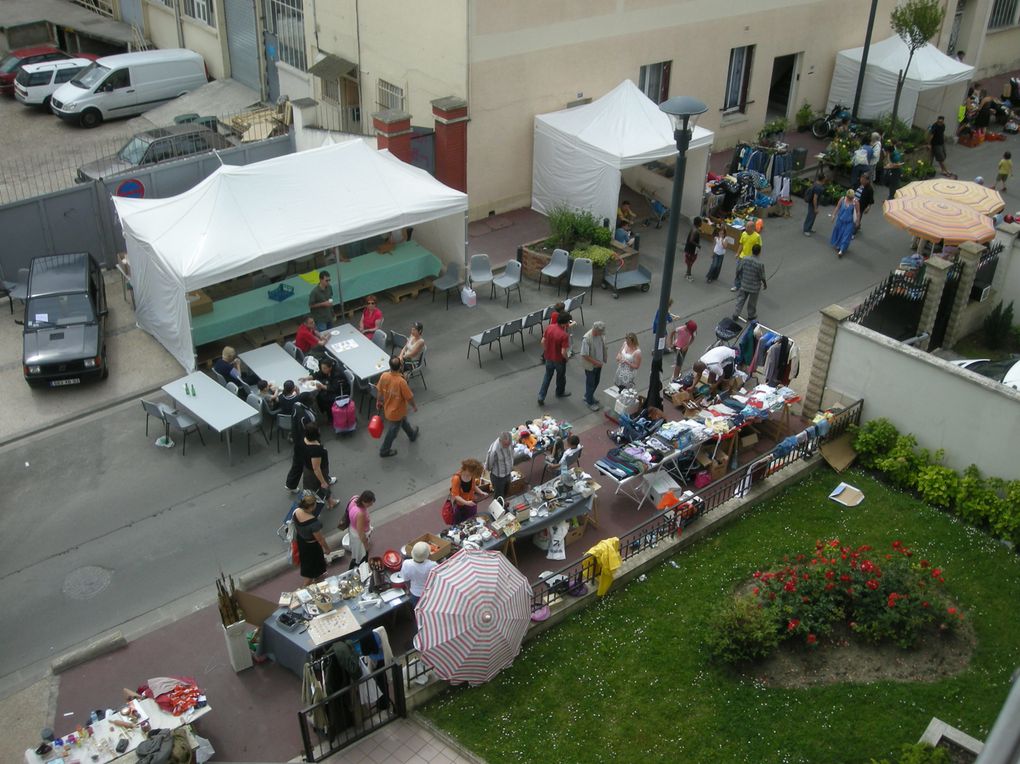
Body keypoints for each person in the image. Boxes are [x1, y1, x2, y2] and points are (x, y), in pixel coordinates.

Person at [376, 356, 419, 457]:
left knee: (403, 421)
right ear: (400, 367)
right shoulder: (401, 382)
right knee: (393, 432)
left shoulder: (384, 376)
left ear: (390, 366)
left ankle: (412, 434)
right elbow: (409, 397)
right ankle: (384, 450)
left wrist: (379, 401)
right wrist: (414, 406)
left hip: (389, 409)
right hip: (397, 412)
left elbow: (380, 391)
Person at [293, 492, 331, 586]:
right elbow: (320, 539)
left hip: (302, 541)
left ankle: (317, 577)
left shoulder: (296, 511)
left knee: (309, 563)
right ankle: (305, 588)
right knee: (311, 569)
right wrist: (327, 549)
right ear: (311, 507)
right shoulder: (314, 523)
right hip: (312, 546)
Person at [538, 312, 572, 405]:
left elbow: (542, 341)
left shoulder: (549, 327)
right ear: (565, 323)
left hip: (549, 357)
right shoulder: (564, 335)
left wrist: (547, 350)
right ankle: (559, 392)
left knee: (547, 376)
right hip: (559, 360)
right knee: (561, 377)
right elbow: (563, 352)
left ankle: (541, 396)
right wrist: (567, 358)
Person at [301, 423, 337, 503]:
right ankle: (331, 502)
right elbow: (316, 468)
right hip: (318, 471)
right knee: (324, 486)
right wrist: (323, 482)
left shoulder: (304, 440)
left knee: (309, 488)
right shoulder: (316, 449)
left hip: (307, 467)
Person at [732, 244, 767, 323]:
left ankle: (736, 314)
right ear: (759, 252)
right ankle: (751, 316)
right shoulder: (760, 264)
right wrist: (765, 284)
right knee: (752, 302)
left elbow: (738, 269)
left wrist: (738, 277)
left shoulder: (745, 259)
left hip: (744, 284)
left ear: (752, 251)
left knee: (740, 299)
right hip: (754, 287)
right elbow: (762, 276)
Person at [449, 458, 488, 523]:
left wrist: (481, 492)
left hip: (471, 502)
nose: (474, 476)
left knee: (473, 519)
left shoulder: (471, 476)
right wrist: (466, 503)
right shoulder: (456, 479)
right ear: (468, 470)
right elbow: (456, 495)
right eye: (474, 474)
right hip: (461, 506)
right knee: (462, 522)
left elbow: (474, 486)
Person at [400, 541, 438, 607]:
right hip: (430, 593)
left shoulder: (406, 564)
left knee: (418, 610)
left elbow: (406, 580)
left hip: (415, 593)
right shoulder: (432, 564)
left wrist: (408, 589)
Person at [580, 320, 607, 411]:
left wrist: (603, 358)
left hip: (598, 364)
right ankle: (589, 402)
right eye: (600, 332)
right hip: (591, 366)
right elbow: (584, 355)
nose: (602, 334)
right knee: (590, 383)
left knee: (596, 382)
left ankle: (588, 396)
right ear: (595, 330)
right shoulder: (587, 339)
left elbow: (602, 346)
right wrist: (596, 362)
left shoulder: (600, 335)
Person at [344, 491, 375, 569]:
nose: (371, 505)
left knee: (356, 552)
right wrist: (366, 545)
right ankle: (358, 568)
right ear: (364, 502)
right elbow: (361, 533)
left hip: (352, 529)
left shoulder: (354, 498)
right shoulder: (361, 514)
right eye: (370, 503)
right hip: (358, 536)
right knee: (362, 556)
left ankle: (356, 564)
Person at [485, 431, 515, 502]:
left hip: (508, 473)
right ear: (500, 441)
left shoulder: (510, 443)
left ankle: (503, 505)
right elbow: (488, 465)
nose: (507, 446)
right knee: (498, 497)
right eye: (505, 445)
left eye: (508, 444)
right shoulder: (494, 449)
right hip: (498, 477)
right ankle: (498, 510)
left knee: (505, 492)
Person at [830, 189, 860, 258]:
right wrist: (833, 215)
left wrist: (857, 221)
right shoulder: (842, 199)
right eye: (849, 197)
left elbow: (858, 212)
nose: (849, 198)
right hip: (840, 220)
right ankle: (838, 245)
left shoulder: (855, 202)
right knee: (839, 233)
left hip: (849, 223)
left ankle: (841, 250)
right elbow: (837, 207)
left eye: (851, 197)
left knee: (846, 236)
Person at [732, 225, 762, 292]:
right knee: (738, 271)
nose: (746, 228)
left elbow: (758, 248)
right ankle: (736, 285)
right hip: (742, 257)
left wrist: (757, 258)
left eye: (748, 227)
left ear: (752, 228)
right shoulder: (744, 233)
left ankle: (743, 286)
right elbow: (741, 244)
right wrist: (737, 253)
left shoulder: (757, 236)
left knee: (746, 273)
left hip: (750, 258)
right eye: (746, 226)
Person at [683, 217, 702, 281]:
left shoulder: (694, 228)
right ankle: (688, 275)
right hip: (691, 250)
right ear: (698, 223)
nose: (702, 223)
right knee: (690, 263)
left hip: (689, 248)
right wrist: (698, 245)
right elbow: (691, 240)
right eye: (701, 222)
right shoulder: (695, 231)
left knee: (689, 262)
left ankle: (687, 273)